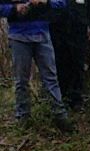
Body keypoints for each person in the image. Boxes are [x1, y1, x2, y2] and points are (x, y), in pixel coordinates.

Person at [1, 0, 74, 130]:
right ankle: (23, 118)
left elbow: (62, 3)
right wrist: (14, 9)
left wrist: (45, 2)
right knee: (21, 81)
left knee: (51, 78)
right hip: (18, 36)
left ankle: (60, 116)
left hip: (43, 33)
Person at [50, 0, 90, 111]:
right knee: (59, 65)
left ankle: (76, 100)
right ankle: (60, 99)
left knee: (77, 65)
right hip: (57, 29)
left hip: (79, 30)